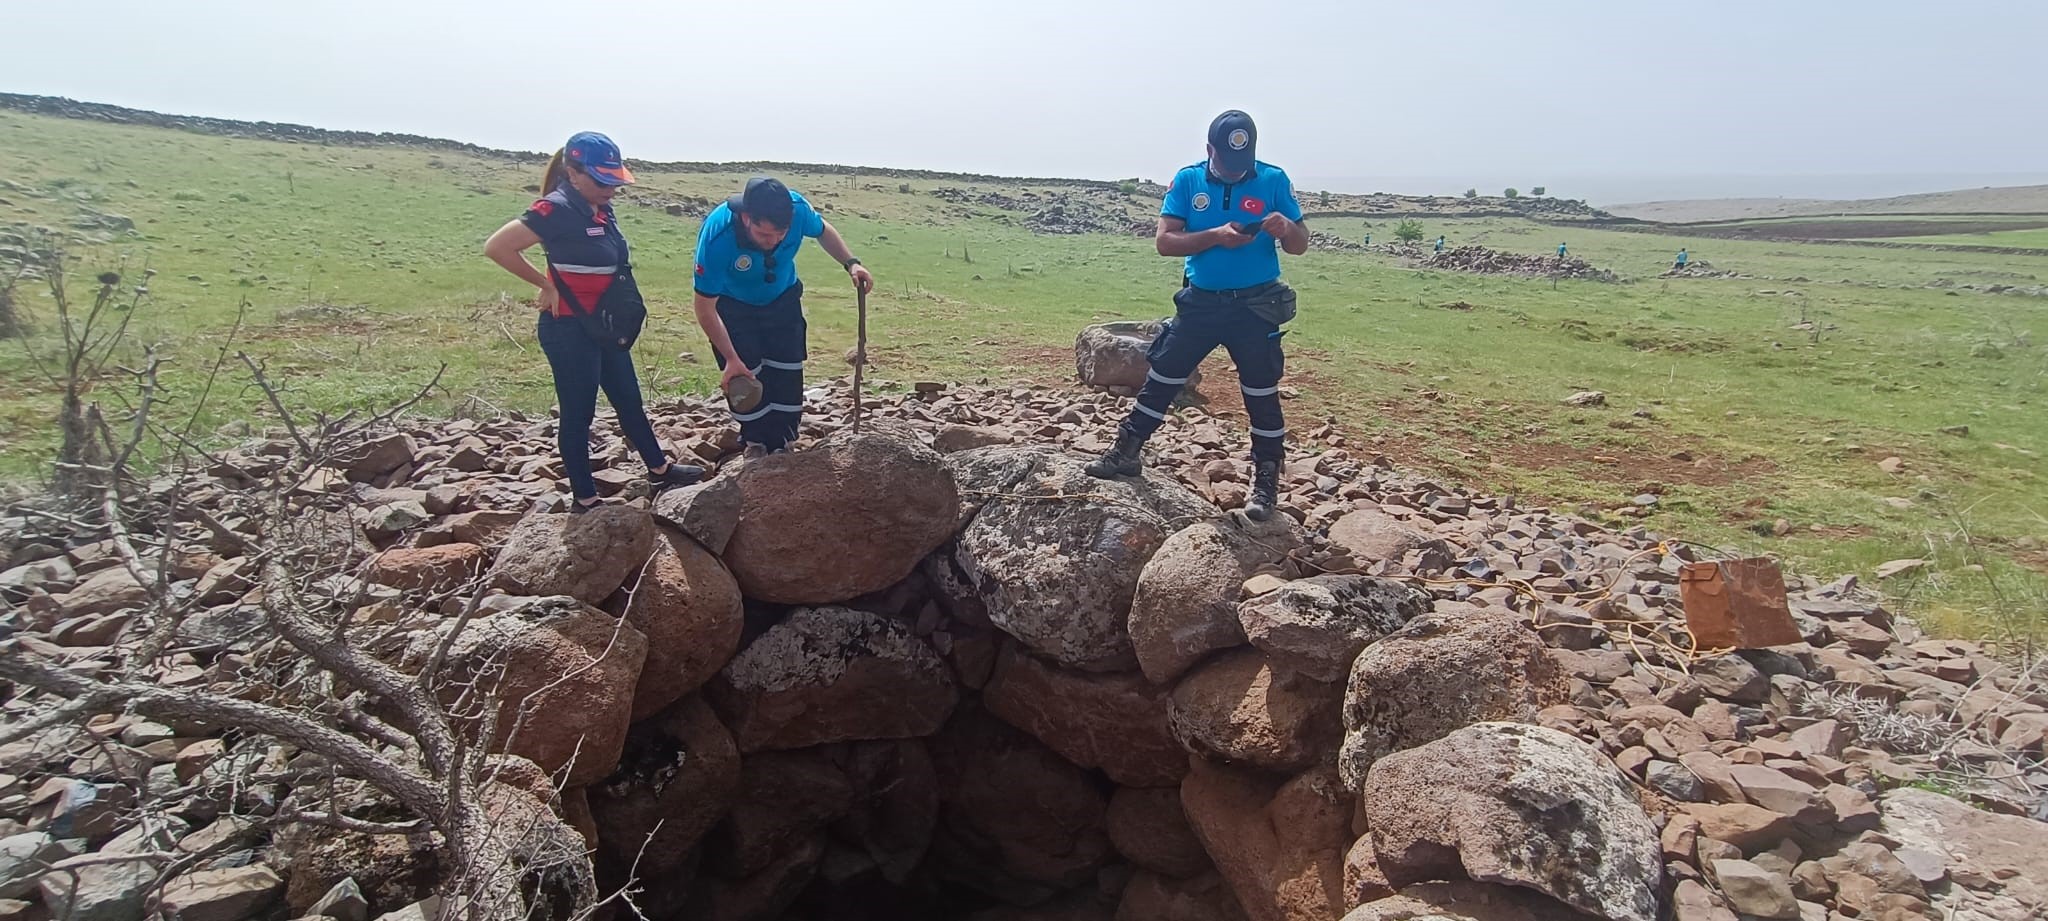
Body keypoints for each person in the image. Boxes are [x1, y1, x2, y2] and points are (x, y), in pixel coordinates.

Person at [1085, 110, 1308, 522]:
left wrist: (1286, 230)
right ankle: (1127, 452)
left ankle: (1265, 483)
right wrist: (1215, 237)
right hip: (1201, 303)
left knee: (1261, 393)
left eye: (1242, 164)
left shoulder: (1273, 179)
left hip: (1256, 307)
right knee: (1163, 378)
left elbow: (1299, 245)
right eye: (1226, 162)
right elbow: (1165, 243)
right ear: (1210, 151)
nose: (1235, 171)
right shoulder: (1188, 181)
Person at [483, 131, 703, 513]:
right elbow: (498, 246)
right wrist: (545, 284)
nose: (611, 188)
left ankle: (659, 469)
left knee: (629, 401)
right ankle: (585, 499)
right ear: (572, 171)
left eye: (615, 180)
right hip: (568, 328)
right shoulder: (555, 208)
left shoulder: (599, 207)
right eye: (602, 180)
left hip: (603, 325)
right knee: (578, 413)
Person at [691, 176, 874, 455]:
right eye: (765, 235)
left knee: (786, 371)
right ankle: (755, 443)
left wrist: (851, 263)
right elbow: (704, 307)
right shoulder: (718, 237)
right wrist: (730, 359)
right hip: (733, 305)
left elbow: (823, 230)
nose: (774, 241)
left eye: (781, 234)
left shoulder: (797, 209)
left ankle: (785, 442)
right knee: (745, 376)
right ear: (746, 217)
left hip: (781, 298)